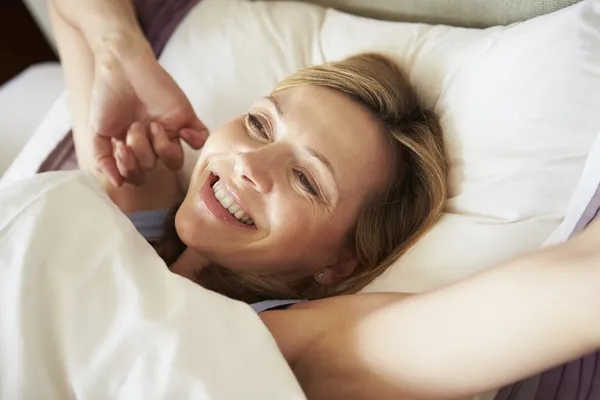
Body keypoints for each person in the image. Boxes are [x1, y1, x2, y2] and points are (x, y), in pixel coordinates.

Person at [47, 0, 600, 399]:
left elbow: (583, 281)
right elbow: (70, 14)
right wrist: (122, 55)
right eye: (260, 125)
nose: (250, 165)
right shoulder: (133, 209)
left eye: (307, 180)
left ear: (340, 265)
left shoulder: (298, 346)